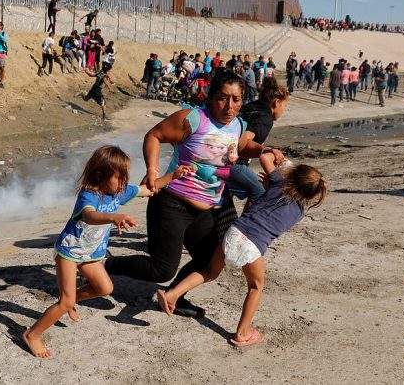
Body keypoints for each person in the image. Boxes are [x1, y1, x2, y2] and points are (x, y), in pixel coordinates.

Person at [105, 71, 265, 318]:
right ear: (211, 97)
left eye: (236, 99)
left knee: (209, 260)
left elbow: (242, 146)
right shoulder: (193, 119)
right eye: (222, 98)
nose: (229, 106)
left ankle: (175, 296)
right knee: (161, 270)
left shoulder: (238, 125)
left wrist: (266, 151)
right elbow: (154, 136)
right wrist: (152, 171)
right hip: (172, 203)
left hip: (207, 208)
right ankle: (104, 265)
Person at [22, 144, 192, 358]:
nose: (123, 183)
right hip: (70, 252)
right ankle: (32, 334)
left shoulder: (119, 192)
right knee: (65, 301)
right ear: (100, 175)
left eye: (125, 178)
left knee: (105, 288)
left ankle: (73, 300)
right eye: (119, 178)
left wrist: (173, 176)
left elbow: (148, 189)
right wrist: (114, 217)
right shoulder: (89, 195)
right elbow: (89, 215)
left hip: (91, 254)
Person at [157, 153, 326, 348]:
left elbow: (265, 157)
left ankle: (172, 295)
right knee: (255, 287)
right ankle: (242, 333)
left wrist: (281, 160)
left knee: (209, 272)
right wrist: (278, 181)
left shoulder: (278, 183)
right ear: (311, 195)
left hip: (234, 232)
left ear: (292, 175)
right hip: (253, 245)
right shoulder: (298, 212)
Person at [226, 77, 289, 204]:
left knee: (226, 196)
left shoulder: (249, 106)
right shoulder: (266, 118)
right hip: (233, 162)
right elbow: (243, 140)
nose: (282, 111)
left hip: (219, 154)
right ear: (276, 103)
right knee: (260, 191)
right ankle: (249, 218)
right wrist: (266, 150)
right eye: (283, 107)